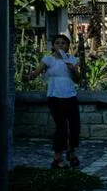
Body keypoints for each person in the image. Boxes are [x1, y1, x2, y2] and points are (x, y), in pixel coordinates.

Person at [25, 33, 82, 169]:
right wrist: (28, 76)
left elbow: (78, 80)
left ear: (68, 46)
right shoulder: (48, 60)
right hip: (55, 96)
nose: (60, 45)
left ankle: (71, 150)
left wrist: (73, 70)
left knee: (75, 126)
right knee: (61, 127)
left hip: (70, 95)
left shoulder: (72, 59)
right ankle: (57, 158)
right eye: (57, 43)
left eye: (63, 43)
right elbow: (36, 73)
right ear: (53, 46)